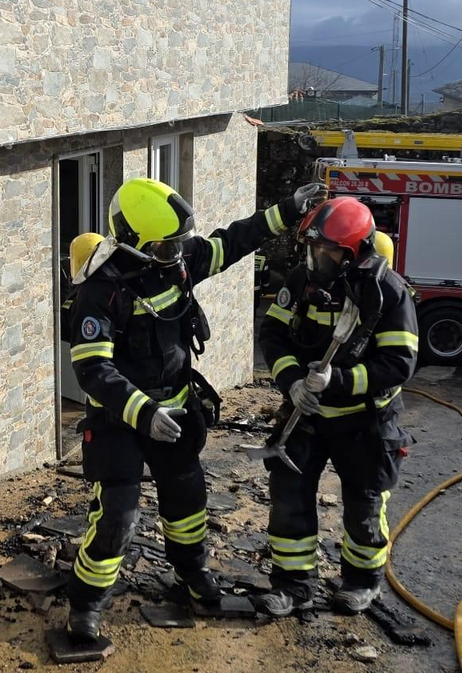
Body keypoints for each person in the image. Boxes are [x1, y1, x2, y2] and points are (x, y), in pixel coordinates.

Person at [63, 177, 322, 641]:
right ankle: (85, 606)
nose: (179, 253)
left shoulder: (175, 263)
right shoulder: (100, 291)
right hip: (119, 422)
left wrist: (286, 209)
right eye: (168, 246)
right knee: (118, 516)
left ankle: (192, 575)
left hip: (177, 413)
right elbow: (92, 370)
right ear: (135, 242)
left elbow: (232, 241)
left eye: (181, 243)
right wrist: (143, 413)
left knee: (187, 505)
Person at [255, 197, 418, 616]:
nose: (315, 258)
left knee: (365, 507)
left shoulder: (388, 294)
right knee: (289, 498)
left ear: (352, 253)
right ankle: (293, 585)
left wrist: (339, 381)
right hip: (306, 416)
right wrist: (291, 383)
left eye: (325, 251)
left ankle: (362, 582)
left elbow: (399, 364)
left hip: (365, 421)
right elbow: (273, 333)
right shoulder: (302, 279)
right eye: (311, 249)